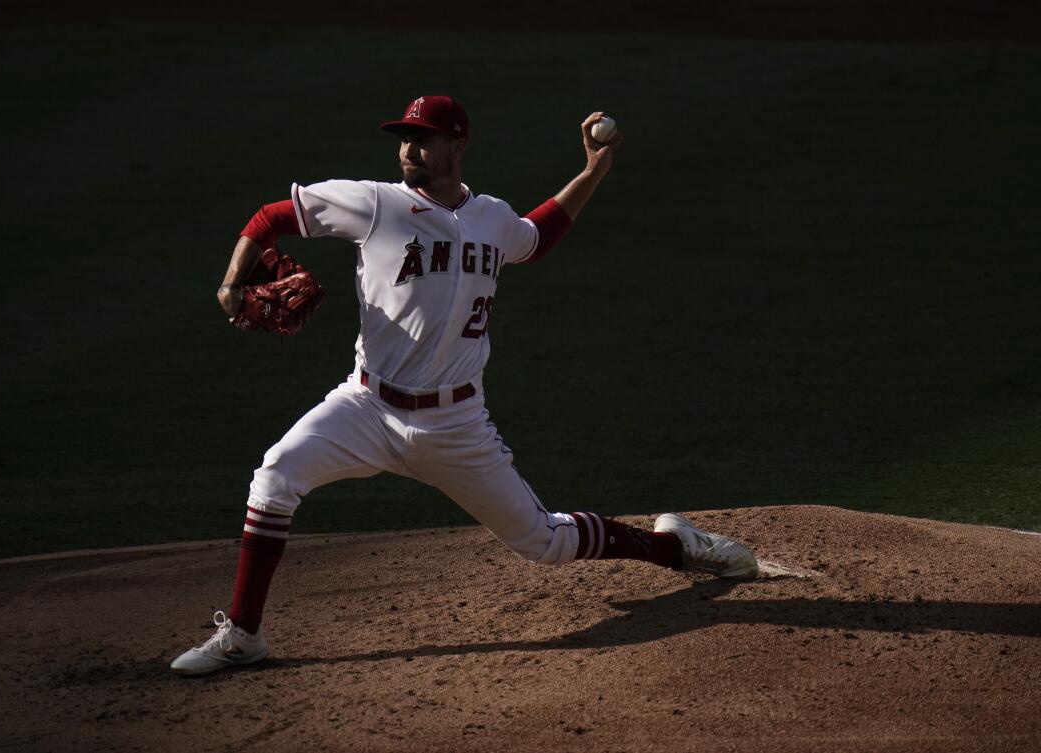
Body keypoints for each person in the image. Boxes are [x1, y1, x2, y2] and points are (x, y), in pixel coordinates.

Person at [170, 96, 758, 676]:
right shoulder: (375, 204)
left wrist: (592, 171)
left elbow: (538, 235)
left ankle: (677, 545)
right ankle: (244, 635)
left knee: (543, 542)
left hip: (456, 425)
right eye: (404, 137)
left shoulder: (492, 218)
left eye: (423, 137)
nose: (409, 148)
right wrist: (231, 283)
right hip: (366, 406)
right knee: (275, 475)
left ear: (458, 145)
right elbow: (268, 218)